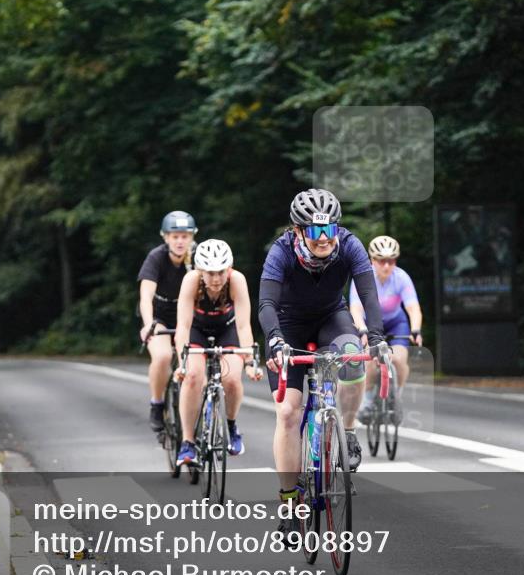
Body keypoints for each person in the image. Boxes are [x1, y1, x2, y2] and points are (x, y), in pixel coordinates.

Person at [258, 189, 387, 537]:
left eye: (330, 229)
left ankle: (346, 431)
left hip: (333, 317)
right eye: (316, 232)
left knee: (354, 359)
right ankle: (288, 501)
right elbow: (266, 304)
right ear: (299, 231)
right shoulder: (281, 251)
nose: (325, 239)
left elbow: (368, 294)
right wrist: (274, 341)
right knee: (288, 412)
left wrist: (375, 336)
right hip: (288, 326)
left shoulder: (349, 245)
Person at [172, 239, 262, 465]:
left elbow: (243, 325)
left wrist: (250, 362)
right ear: (200, 270)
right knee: (193, 377)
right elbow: (182, 326)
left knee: (231, 379)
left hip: (227, 329)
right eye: (210, 273)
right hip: (197, 330)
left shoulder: (237, 280)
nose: (215, 279)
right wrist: (182, 364)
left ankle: (231, 426)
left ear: (229, 268)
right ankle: (188, 443)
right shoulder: (191, 281)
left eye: (221, 272)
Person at [349, 235, 423, 424]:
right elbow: (356, 308)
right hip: (370, 324)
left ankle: (396, 397)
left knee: (398, 359)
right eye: (381, 261)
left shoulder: (401, 277)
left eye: (391, 261)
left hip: (395, 323)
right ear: (372, 260)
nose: (386, 266)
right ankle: (366, 402)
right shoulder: (363, 278)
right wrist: (362, 329)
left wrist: (415, 329)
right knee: (371, 362)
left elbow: (413, 307)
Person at [138, 210, 196, 433]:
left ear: (192, 236)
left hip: (188, 316)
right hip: (160, 315)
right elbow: (145, 297)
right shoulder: (156, 257)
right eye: (175, 236)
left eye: (185, 236)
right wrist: (148, 324)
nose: (180, 241)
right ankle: (156, 402)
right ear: (166, 237)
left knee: (197, 362)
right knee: (163, 356)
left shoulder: (198, 257)